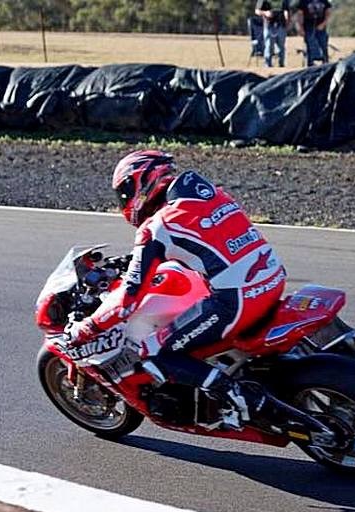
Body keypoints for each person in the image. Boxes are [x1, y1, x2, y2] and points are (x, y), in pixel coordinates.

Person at [66, 150, 291, 427]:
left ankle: (236, 394)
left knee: (154, 351)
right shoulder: (213, 195)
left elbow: (128, 299)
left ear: (141, 182)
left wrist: (89, 327)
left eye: (125, 191)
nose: (124, 200)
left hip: (237, 301)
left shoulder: (155, 227)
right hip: (273, 278)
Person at [293, 0, 331, 66]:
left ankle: (325, 63)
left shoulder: (324, 1)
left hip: (321, 26)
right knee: (310, 44)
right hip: (308, 26)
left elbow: (328, 13)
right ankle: (311, 64)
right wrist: (300, 27)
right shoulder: (303, 1)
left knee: (323, 44)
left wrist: (323, 24)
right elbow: (300, 14)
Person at [255, 0, 288, 68]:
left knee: (281, 47)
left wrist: (287, 18)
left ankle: (281, 65)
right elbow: (257, 11)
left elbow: (286, 9)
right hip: (269, 25)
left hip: (281, 25)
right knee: (269, 46)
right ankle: (268, 64)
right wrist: (265, 13)